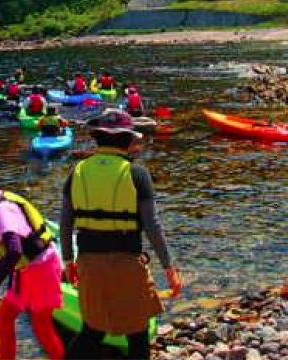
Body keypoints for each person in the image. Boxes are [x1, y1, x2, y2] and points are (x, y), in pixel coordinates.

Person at [60, 109, 182, 360]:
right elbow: (152, 225)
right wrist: (169, 267)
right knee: (137, 332)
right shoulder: (138, 174)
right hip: (127, 261)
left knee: (92, 330)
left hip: (88, 261)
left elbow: (65, 222)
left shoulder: (77, 171)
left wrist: (68, 260)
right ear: (128, 140)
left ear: (98, 138)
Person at [0, 165, 64, 360]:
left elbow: (14, 251)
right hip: (25, 271)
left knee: (42, 327)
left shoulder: (2, 211)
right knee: (3, 319)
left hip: (42, 268)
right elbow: (3, 251)